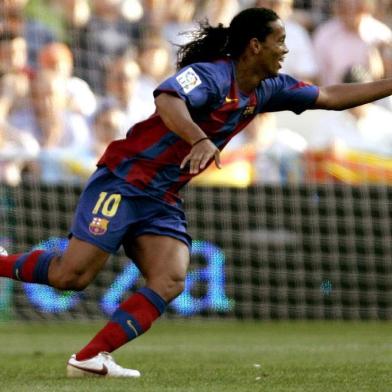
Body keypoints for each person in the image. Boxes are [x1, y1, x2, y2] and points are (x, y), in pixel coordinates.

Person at [0, 7, 391, 378]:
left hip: (162, 197)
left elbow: (330, 97)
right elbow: (168, 99)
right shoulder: (211, 75)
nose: (285, 49)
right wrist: (200, 138)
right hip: (125, 179)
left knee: (171, 279)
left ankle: (90, 357)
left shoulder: (268, 89)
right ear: (255, 45)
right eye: (279, 40)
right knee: (72, 276)